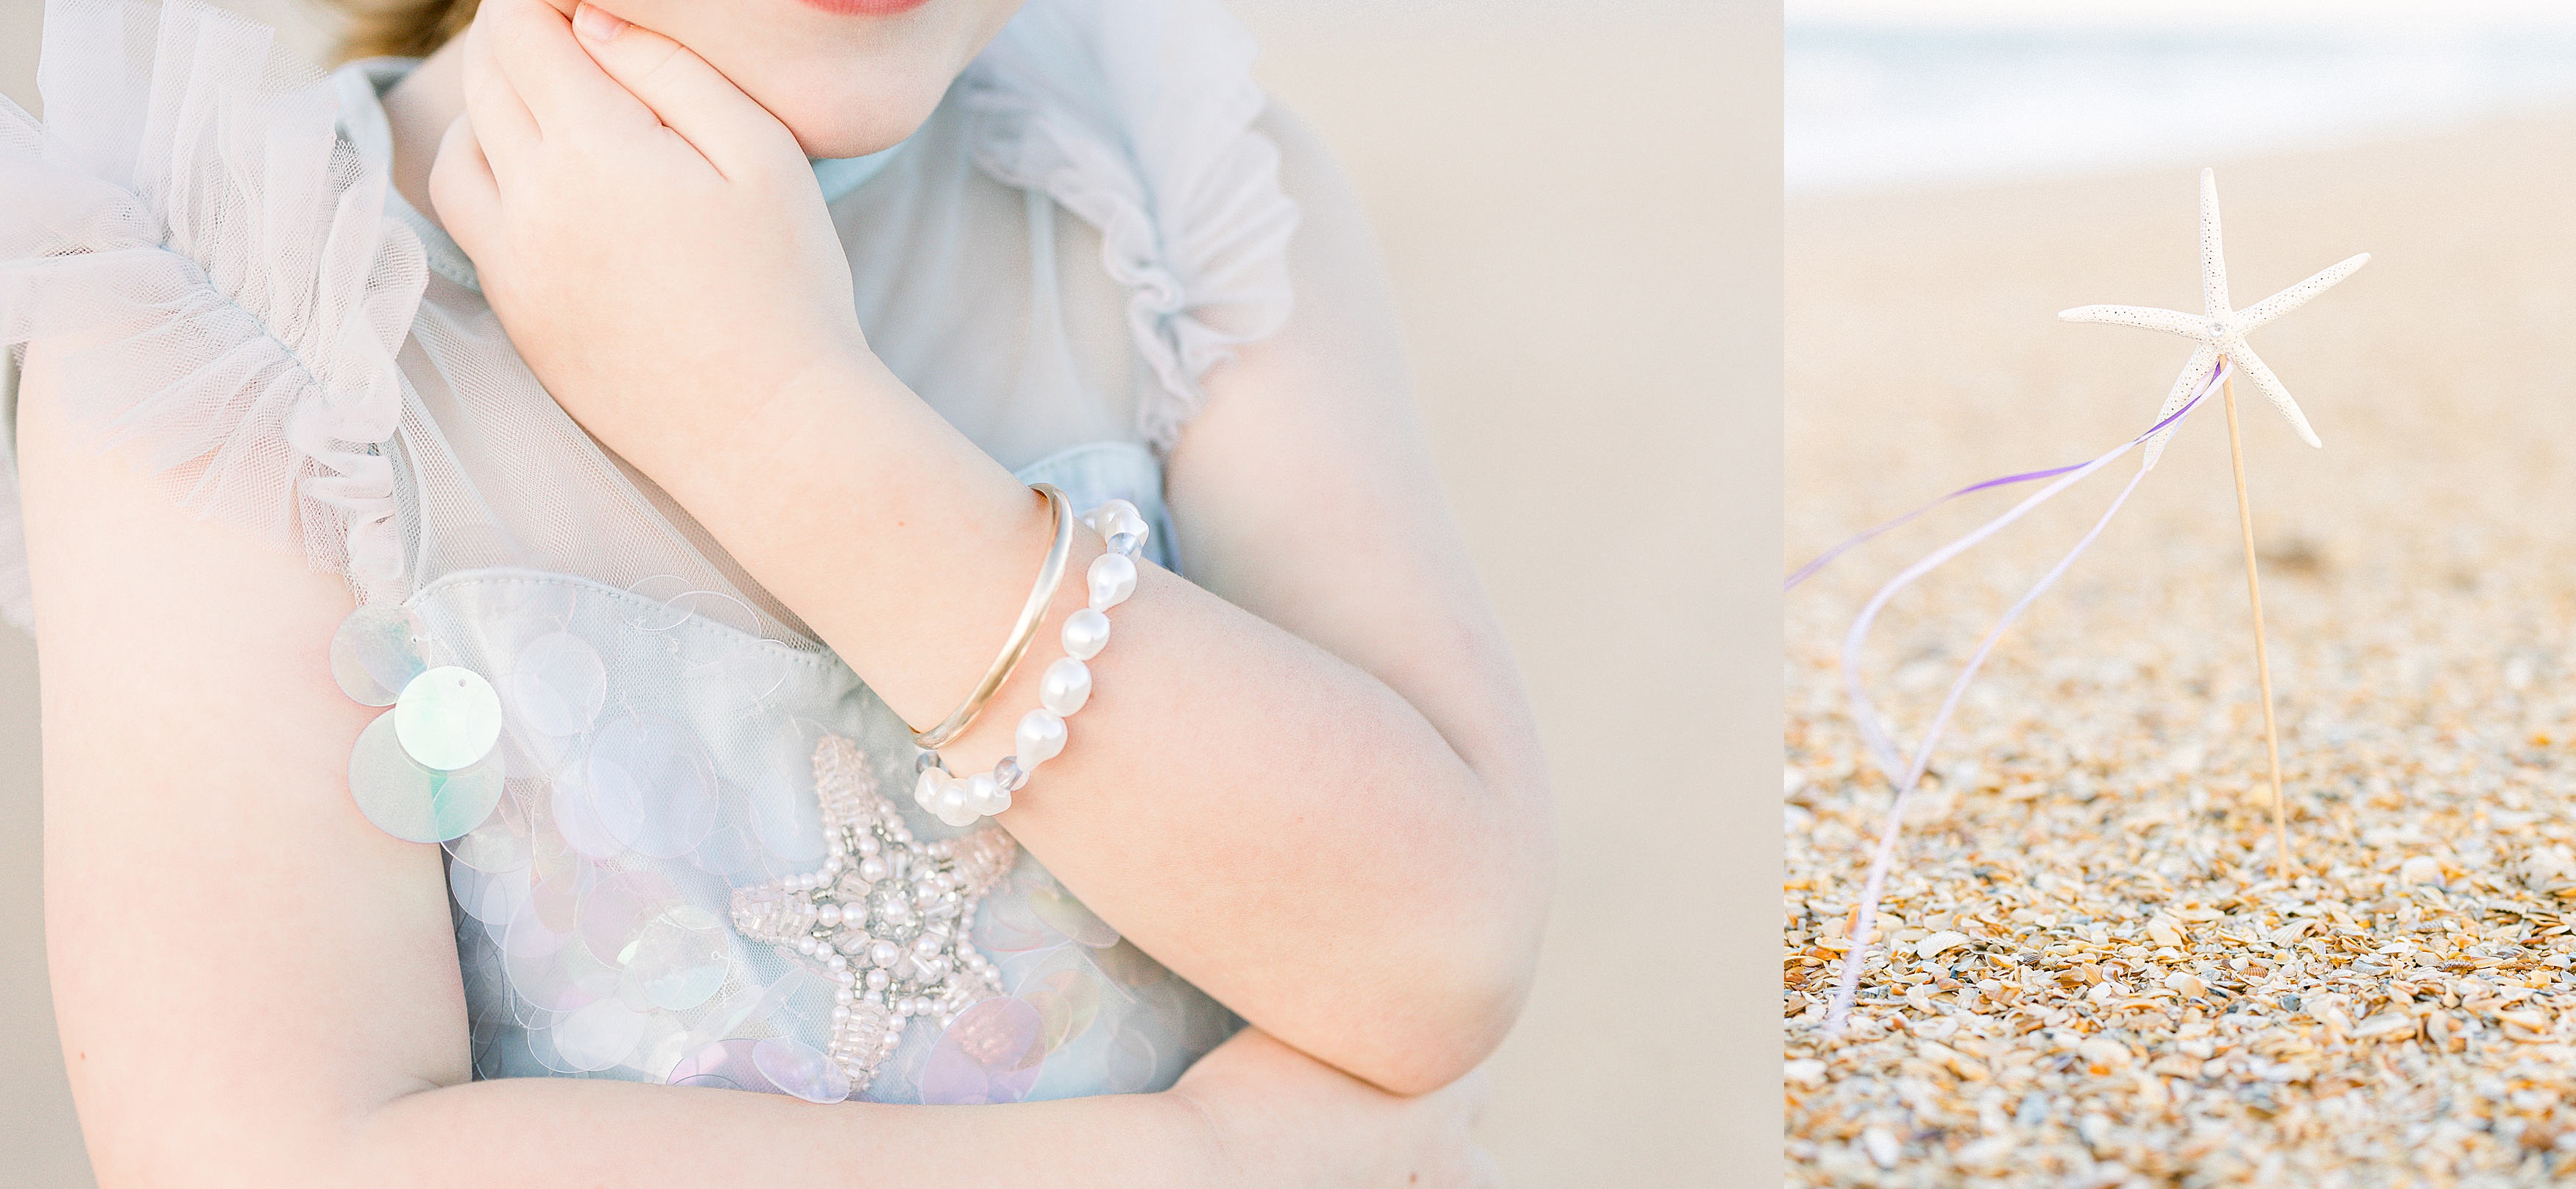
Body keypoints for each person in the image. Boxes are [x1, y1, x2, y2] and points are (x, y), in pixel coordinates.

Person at [1, 0, 1551, 1182]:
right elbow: (279, 1153)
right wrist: (1188, 1158)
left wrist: (782, 422)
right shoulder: (221, 332)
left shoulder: (1168, 204)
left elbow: (1440, 950)